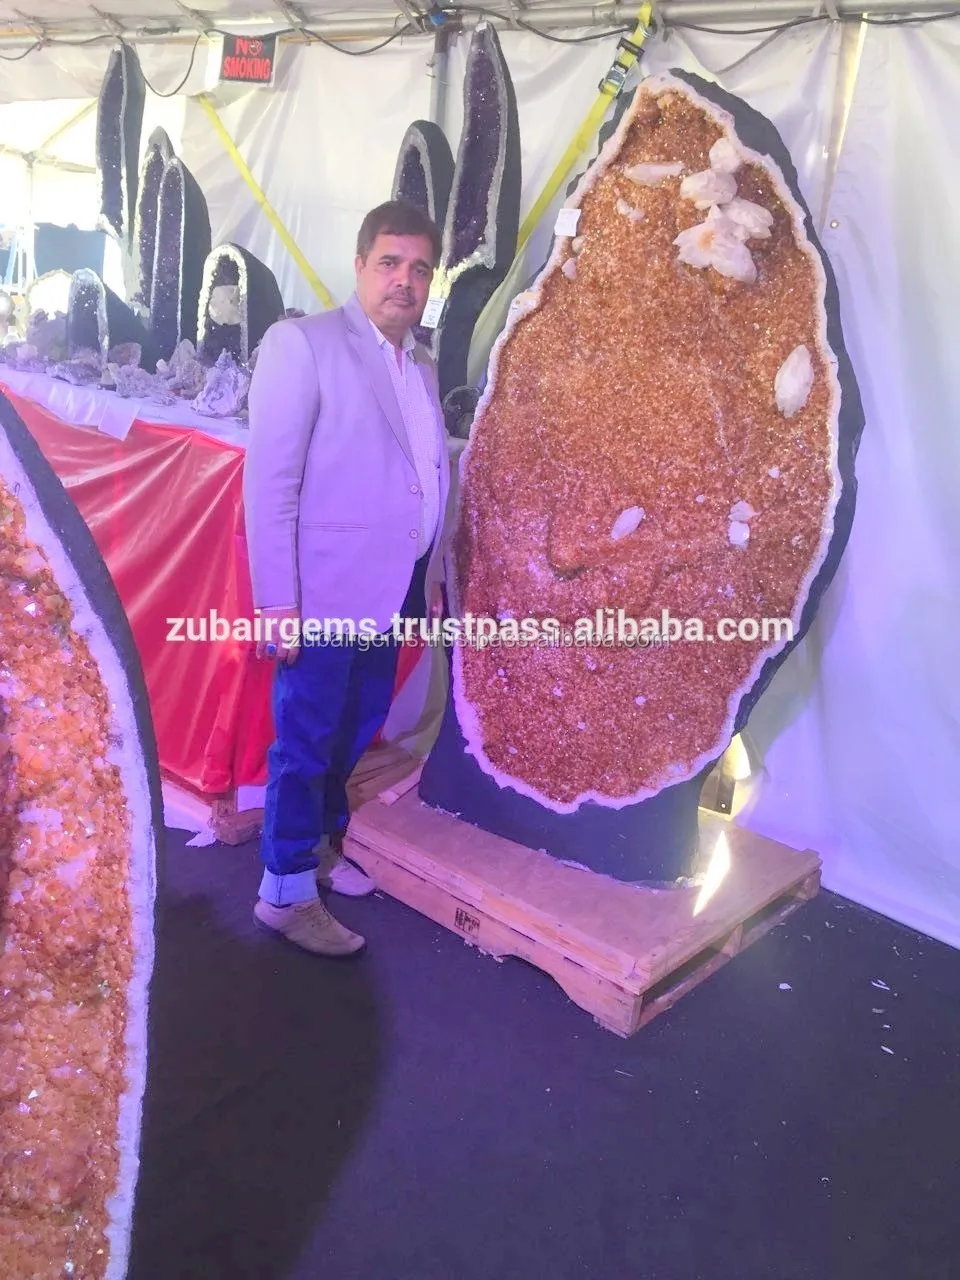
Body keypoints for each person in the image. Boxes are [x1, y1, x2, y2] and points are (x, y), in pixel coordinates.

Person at [242, 200, 450, 957]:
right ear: (359, 266)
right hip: (322, 591)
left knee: (352, 733)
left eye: (420, 268)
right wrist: (278, 603)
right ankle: (284, 891)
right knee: (305, 742)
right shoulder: (304, 344)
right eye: (390, 263)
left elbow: (428, 473)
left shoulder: (421, 364)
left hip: (393, 589)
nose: (405, 281)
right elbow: (270, 484)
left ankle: (321, 849)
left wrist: (432, 575)